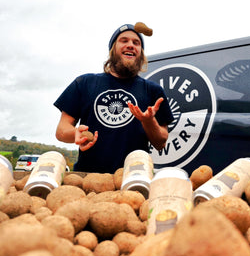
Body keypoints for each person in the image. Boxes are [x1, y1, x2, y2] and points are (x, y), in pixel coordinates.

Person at [54, 23, 174, 173]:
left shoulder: (153, 91)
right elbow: (61, 131)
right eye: (124, 40)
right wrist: (75, 134)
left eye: (136, 43)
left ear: (141, 53)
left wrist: (148, 121)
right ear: (112, 49)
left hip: (133, 178)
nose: (131, 45)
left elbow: (161, 142)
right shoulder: (85, 83)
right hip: (88, 178)